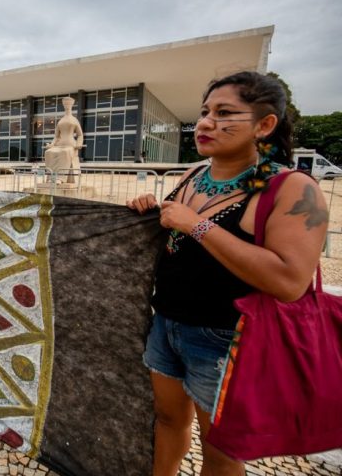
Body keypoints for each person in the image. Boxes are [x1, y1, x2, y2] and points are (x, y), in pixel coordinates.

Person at [127, 71, 328, 475]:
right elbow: (171, 234)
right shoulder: (191, 176)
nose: (204, 123)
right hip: (165, 325)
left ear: (264, 125)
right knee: (166, 422)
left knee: (220, 451)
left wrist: (196, 225)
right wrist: (148, 210)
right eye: (204, 112)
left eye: (224, 113)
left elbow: (290, 281)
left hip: (228, 341)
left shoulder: (291, 188)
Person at [43, 97, 83, 183]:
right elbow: (56, 136)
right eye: (65, 105)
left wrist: (79, 143)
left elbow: (80, 135)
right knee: (48, 152)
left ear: (71, 106)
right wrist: (52, 144)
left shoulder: (74, 120)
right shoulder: (60, 121)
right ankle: (51, 178)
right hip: (59, 145)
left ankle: (60, 178)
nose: (67, 107)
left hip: (70, 145)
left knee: (65, 152)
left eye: (68, 105)